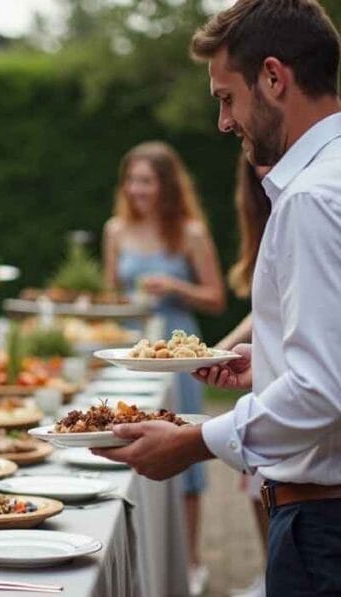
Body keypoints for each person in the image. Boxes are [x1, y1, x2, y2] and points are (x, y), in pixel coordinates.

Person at [95, 1, 341, 594]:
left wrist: (194, 442)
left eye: (227, 98)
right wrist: (271, 359)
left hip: (323, 526)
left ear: (274, 78)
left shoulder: (310, 199)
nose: (224, 123)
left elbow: (323, 389)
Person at [101, 140, 226, 595]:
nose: (137, 189)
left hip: (175, 350)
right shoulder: (115, 230)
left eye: (147, 180)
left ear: (167, 185)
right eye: (131, 180)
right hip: (134, 351)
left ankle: (190, 562)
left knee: (185, 449)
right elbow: (110, 296)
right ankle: (143, 558)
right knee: (134, 441)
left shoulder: (189, 232)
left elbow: (216, 297)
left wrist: (176, 286)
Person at [217, 154, 272, 597]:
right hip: (265, 368)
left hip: (281, 380)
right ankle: (271, 571)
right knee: (256, 481)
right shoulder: (265, 211)